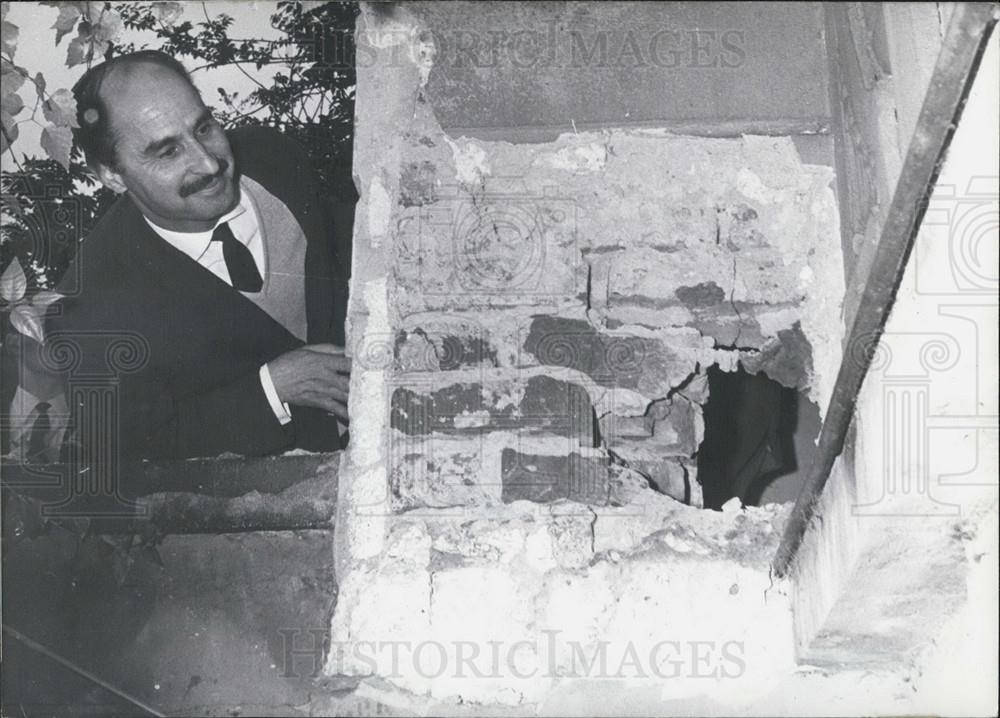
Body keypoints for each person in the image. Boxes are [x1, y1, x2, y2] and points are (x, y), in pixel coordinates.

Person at [46, 50, 351, 461]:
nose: (209, 164)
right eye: (167, 152)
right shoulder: (90, 309)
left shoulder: (274, 156)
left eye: (204, 127)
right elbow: (127, 447)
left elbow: (345, 240)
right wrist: (271, 389)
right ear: (112, 176)